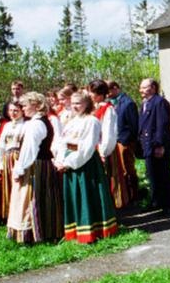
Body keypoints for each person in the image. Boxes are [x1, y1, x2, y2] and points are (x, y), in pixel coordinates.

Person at [53, 90, 117, 243]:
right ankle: (76, 231)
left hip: (85, 164)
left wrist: (68, 163)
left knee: (87, 196)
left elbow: (87, 147)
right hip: (69, 162)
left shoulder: (91, 121)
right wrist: (60, 160)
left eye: (78, 103)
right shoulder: (71, 122)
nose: (75, 106)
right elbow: (63, 142)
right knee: (75, 196)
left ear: (87, 104)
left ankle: (93, 231)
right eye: (73, 103)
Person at [8, 92, 63, 243]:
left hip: (35, 166)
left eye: (25, 105)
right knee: (43, 198)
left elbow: (30, 150)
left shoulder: (36, 124)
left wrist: (20, 169)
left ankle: (32, 234)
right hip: (42, 164)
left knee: (32, 200)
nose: (23, 108)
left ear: (37, 106)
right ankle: (47, 231)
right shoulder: (40, 121)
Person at [88, 79, 129, 209]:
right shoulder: (93, 108)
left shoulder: (108, 109)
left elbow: (109, 132)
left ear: (99, 94)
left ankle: (113, 206)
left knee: (109, 177)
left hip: (105, 149)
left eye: (92, 92)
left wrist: (104, 151)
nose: (89, 95)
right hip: (93, 148)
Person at [138, 78, 170, 214]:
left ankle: (168, 206)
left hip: (157, 145)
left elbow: (162, 125)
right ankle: (156, 201)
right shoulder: (145, 103)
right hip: (148, 144)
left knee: (163, 175)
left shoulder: (159, 102)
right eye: (141, 87)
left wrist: (160, 145)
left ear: (153, 88)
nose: (141, 90)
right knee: (152, 175)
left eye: (144, 87)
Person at [108, 80, 140, 203]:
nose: (107, 94)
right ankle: (124, 195)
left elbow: (134, 125)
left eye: (108, 91)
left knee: (128, 168)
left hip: (124, 142)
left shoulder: (128, 103)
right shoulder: (110, 103)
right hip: (115, 141)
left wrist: (126, 142)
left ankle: (134, 195)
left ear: (115, 88)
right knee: (119, 170)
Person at [0, 100, 25, 221]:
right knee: (7, 185)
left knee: (19, 185)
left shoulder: (25, 124)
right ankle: (8, 215)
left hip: (19, 157)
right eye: (11, 110)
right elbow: (1, 145)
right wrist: (0, 162)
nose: (13, 113)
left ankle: (19, 214)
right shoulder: (7, 125)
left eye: (16, 110)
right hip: (7, 157)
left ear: (22, 111)